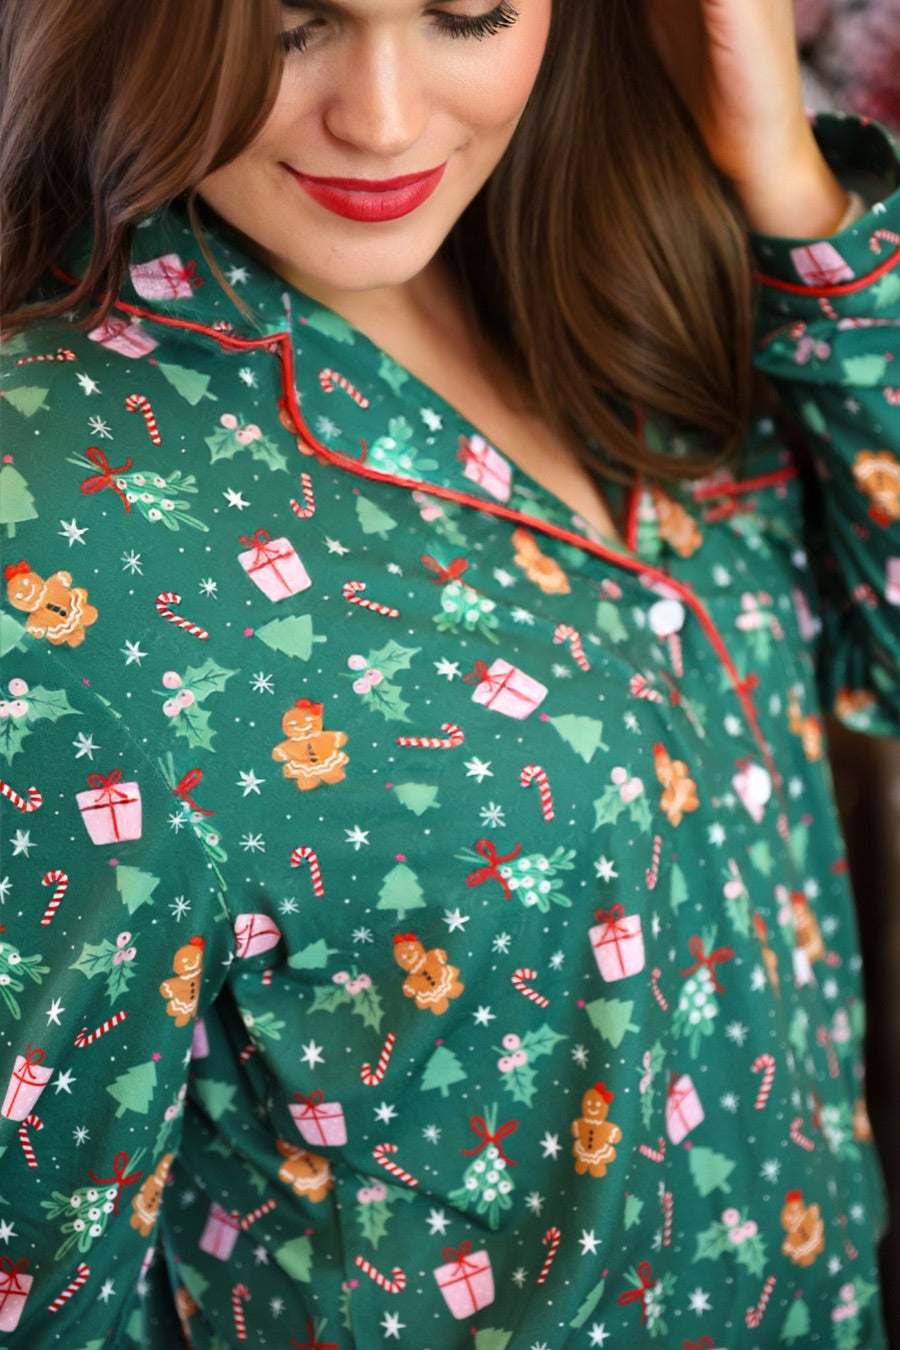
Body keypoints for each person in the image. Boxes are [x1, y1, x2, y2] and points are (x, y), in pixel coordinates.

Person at [1, 0, 897, 1344]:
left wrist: (779, 164)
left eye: (467, 12)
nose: (383, 118)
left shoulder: (637, 269)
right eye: (294, 27)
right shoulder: (57, 518)